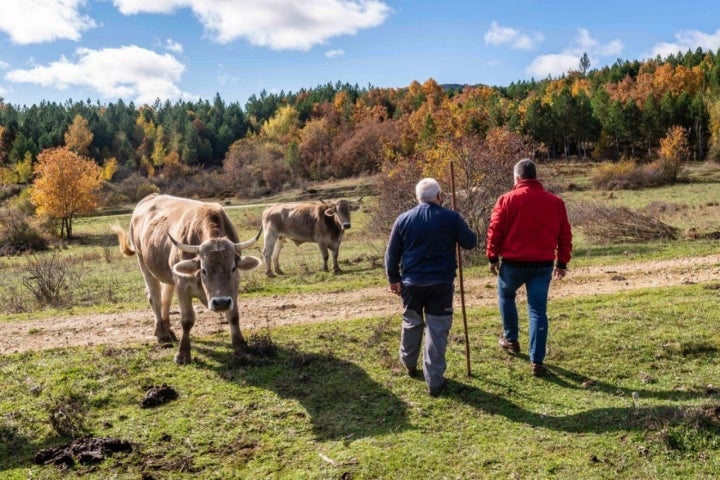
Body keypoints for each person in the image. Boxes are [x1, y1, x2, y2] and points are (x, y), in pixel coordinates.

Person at [385, 178, 478, 397]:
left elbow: (391, 254)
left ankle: (409, 363)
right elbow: (470, 242)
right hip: (441, 284)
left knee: (411, 322)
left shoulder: (403, 219)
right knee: (436, 331)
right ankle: (434, 382)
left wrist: (393, 278)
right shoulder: (451, 217)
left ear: (418, 198)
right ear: (439, 196)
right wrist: (459, 223)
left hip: (411, 284)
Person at [486, 159, 572, 377]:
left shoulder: (506, 200)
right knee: (537, 311)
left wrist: (492, 257)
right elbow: (565, 235)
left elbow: (495, 230)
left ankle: (511, 339)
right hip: (542, 264)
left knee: (506, 296)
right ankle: (537, 360)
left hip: (513, 263)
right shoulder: (555, 201)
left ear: (517, 178)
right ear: (535, 177)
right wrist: (562, 262)